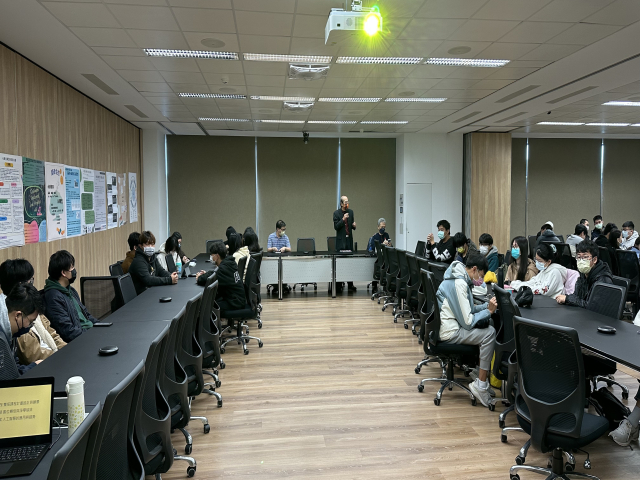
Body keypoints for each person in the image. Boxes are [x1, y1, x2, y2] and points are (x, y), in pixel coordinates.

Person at [436, 254, 498, 407]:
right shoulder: (459, 284)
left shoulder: (458, 277)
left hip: (449, 326)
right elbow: (468, 322)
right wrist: (489, 312)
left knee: (487, 324)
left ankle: (478, 373)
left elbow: (468, 309)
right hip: (450, 332)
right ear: (475, 269)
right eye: (481, 276)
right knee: (489, 333)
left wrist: (485, 307)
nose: (481, 280)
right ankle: (480, 385)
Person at [0, 259, 65, 365]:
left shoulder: (31, 305)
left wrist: (66, 351)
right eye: (30, 281)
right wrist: (61, 357)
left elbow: (51, 332)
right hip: (49, 362)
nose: (31, 285)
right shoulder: (13, 320)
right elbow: (30, 356)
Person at [43, 250, 98, 343]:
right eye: (72, 267)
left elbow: (86, 315)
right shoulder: (53, 298)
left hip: (90, 333)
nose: (74, 270)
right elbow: (68, 332)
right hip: (82, 341)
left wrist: (102, 326)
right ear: (64, 273)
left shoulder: (70, 290)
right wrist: (93, 336)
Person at [4, 284, 45, 377]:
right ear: (18, 316)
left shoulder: (11, 332)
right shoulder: (2, 337)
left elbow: (14, 368)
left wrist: (33, 366)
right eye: (30, 321)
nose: (30, 326)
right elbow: (9, 378)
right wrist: (34, 367)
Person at [556, 240, 613, 307]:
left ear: (594, 260)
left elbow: (594, 307)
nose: (581, 261)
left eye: (585, 257)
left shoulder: (603, 280)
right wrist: (567, 299)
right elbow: (576, 296)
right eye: (579, 257)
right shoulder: (583, 274)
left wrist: (568, 299)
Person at [196, 241, 246, 314]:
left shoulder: (224, 269)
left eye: (212, 255)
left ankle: (218, 321)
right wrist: (206, 274)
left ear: (217, 256)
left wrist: (200, 277)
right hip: (236, 298)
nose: (211, 258)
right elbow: (216, 273)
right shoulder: (229, 263)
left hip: (235, 302)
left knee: (206, 307)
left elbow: (213, 277)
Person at [128, 230, 178, 295]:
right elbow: (148, 280)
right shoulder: (138, 261)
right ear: (140, 246)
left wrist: (171, 276)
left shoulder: (152, 257)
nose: (150, 247)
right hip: (140, 296)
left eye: (152, 244)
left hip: (151, 292)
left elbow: (161, 271)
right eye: (147, 244)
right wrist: (169, 280)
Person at [333, 196, 357, 291]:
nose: (347, 204)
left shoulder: (351, 212)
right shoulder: (336, 213)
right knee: (340, 263)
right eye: (345, 202)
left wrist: (354, 226)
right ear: (341, 204)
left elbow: (351, 225)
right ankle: (339, 285)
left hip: (349, 240)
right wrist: (343, 219)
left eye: (348, 202)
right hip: (341, 241)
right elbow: (336, 227)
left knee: (349, 263)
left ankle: (350, 284)